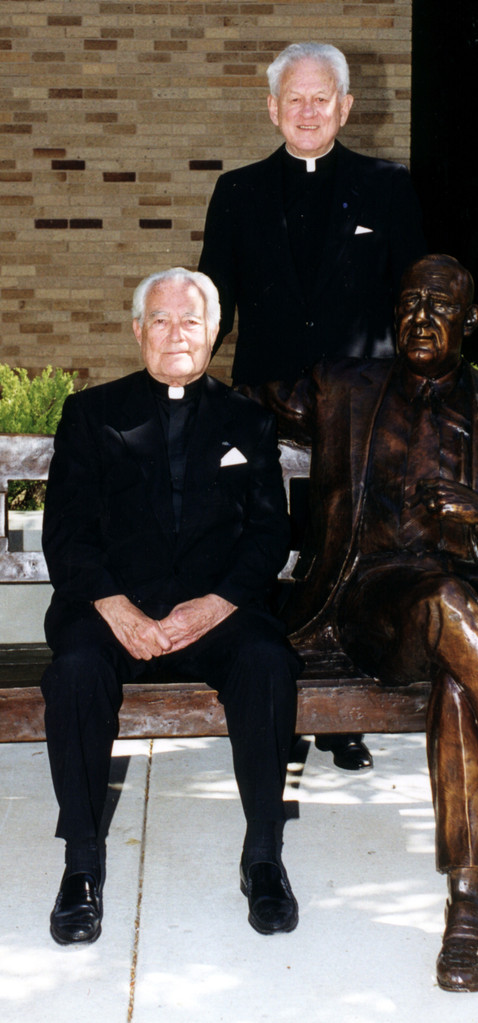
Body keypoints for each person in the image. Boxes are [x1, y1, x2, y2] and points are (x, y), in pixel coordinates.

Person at [245, 254, 478, 992]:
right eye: (408, 304)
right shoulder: (342, 387)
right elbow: (235, 400)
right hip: (372, 608)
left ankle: (467, 904)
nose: (420, 318)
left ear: (470, 322)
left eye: (438, 307)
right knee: (445, 612)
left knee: (460, 665)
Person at [40, 268, 301, 947]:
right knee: (73, 672)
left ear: (215, 332)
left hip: (213, 613)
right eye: (160, 319)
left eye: (191, 320)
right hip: (110, 610)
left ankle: (264, 855)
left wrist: (214, 607)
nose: (175, 333)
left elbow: (269, 531)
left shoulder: (248, 420)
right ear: (137, 331)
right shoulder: (92, 415)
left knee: (267, 659)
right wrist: (115, 607)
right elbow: (65, 532)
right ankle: (81, 866)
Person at [198, 41, 427, 771]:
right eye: (292, 99)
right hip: (263, 401)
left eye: (320, 99)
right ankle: (273, 703)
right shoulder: (235, 192)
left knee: (348, 551)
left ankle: (342, 712)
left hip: (360, 416)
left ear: (345, 107)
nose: (305, 111)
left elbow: (412, 304)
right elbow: (214, 301)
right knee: (264, 550)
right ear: (271, 108)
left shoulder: (389, 187)